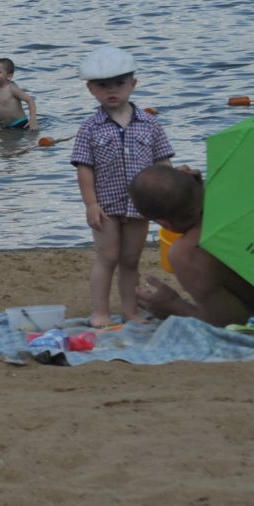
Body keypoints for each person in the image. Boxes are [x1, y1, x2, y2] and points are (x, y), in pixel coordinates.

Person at [71, 46, 172, 327]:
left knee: (130, 259)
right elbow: (84, 168)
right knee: (108, 257)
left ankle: (130, 311)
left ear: (133, 85)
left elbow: (163, 164)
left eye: (119, 84)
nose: (112, 91)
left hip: (140, 205)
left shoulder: (149, 124)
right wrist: (91, 204)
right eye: (103, 86)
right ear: (91, 89)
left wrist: (167, 199)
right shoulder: (90, 128)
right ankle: (100, 312)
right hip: (105, 205)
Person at [132, 165, 254, 327]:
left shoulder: (189, 252)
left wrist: (174, 306)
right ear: (188, 173)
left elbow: (230, 324)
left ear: (164, 223)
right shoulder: (241, 185)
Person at [0, 58, 39, 131]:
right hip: (4, 124)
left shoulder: (12, 88)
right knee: (2, 142)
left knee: (26, 140)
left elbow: (30, 100)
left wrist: (32, 119)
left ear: (9, 76)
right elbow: (1, 106)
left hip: (20, 124)